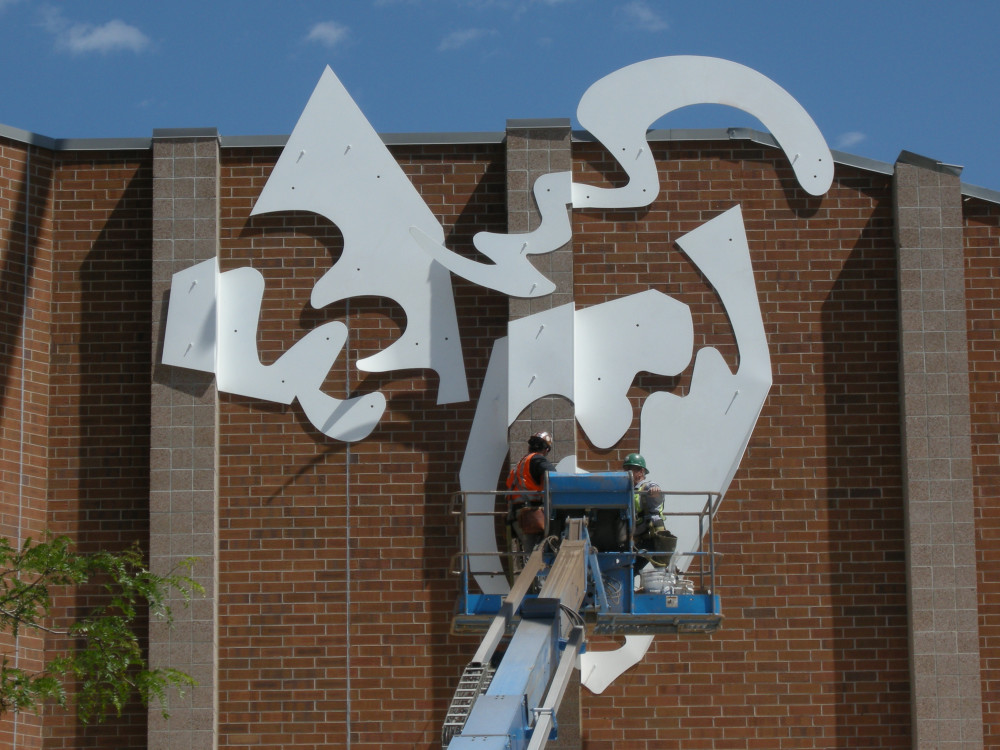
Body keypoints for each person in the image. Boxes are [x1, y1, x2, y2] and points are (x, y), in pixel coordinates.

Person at [506, 431, 557, 555]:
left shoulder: (521, 463)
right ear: (546, 449)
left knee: (529, 555)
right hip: (530, 514)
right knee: (535, 557)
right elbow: (554, 476)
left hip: (516, 514)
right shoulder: (537, 459)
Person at [625, 453, 675, 568]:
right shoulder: (628, 490)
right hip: (638, 539)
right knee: (629, 569)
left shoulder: (646, 487)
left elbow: (657, 494)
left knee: (636, 569)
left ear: (641, 472)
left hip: (651, 537)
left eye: (630, 469)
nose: (627, 473)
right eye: (626, 469)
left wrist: (656, 491)